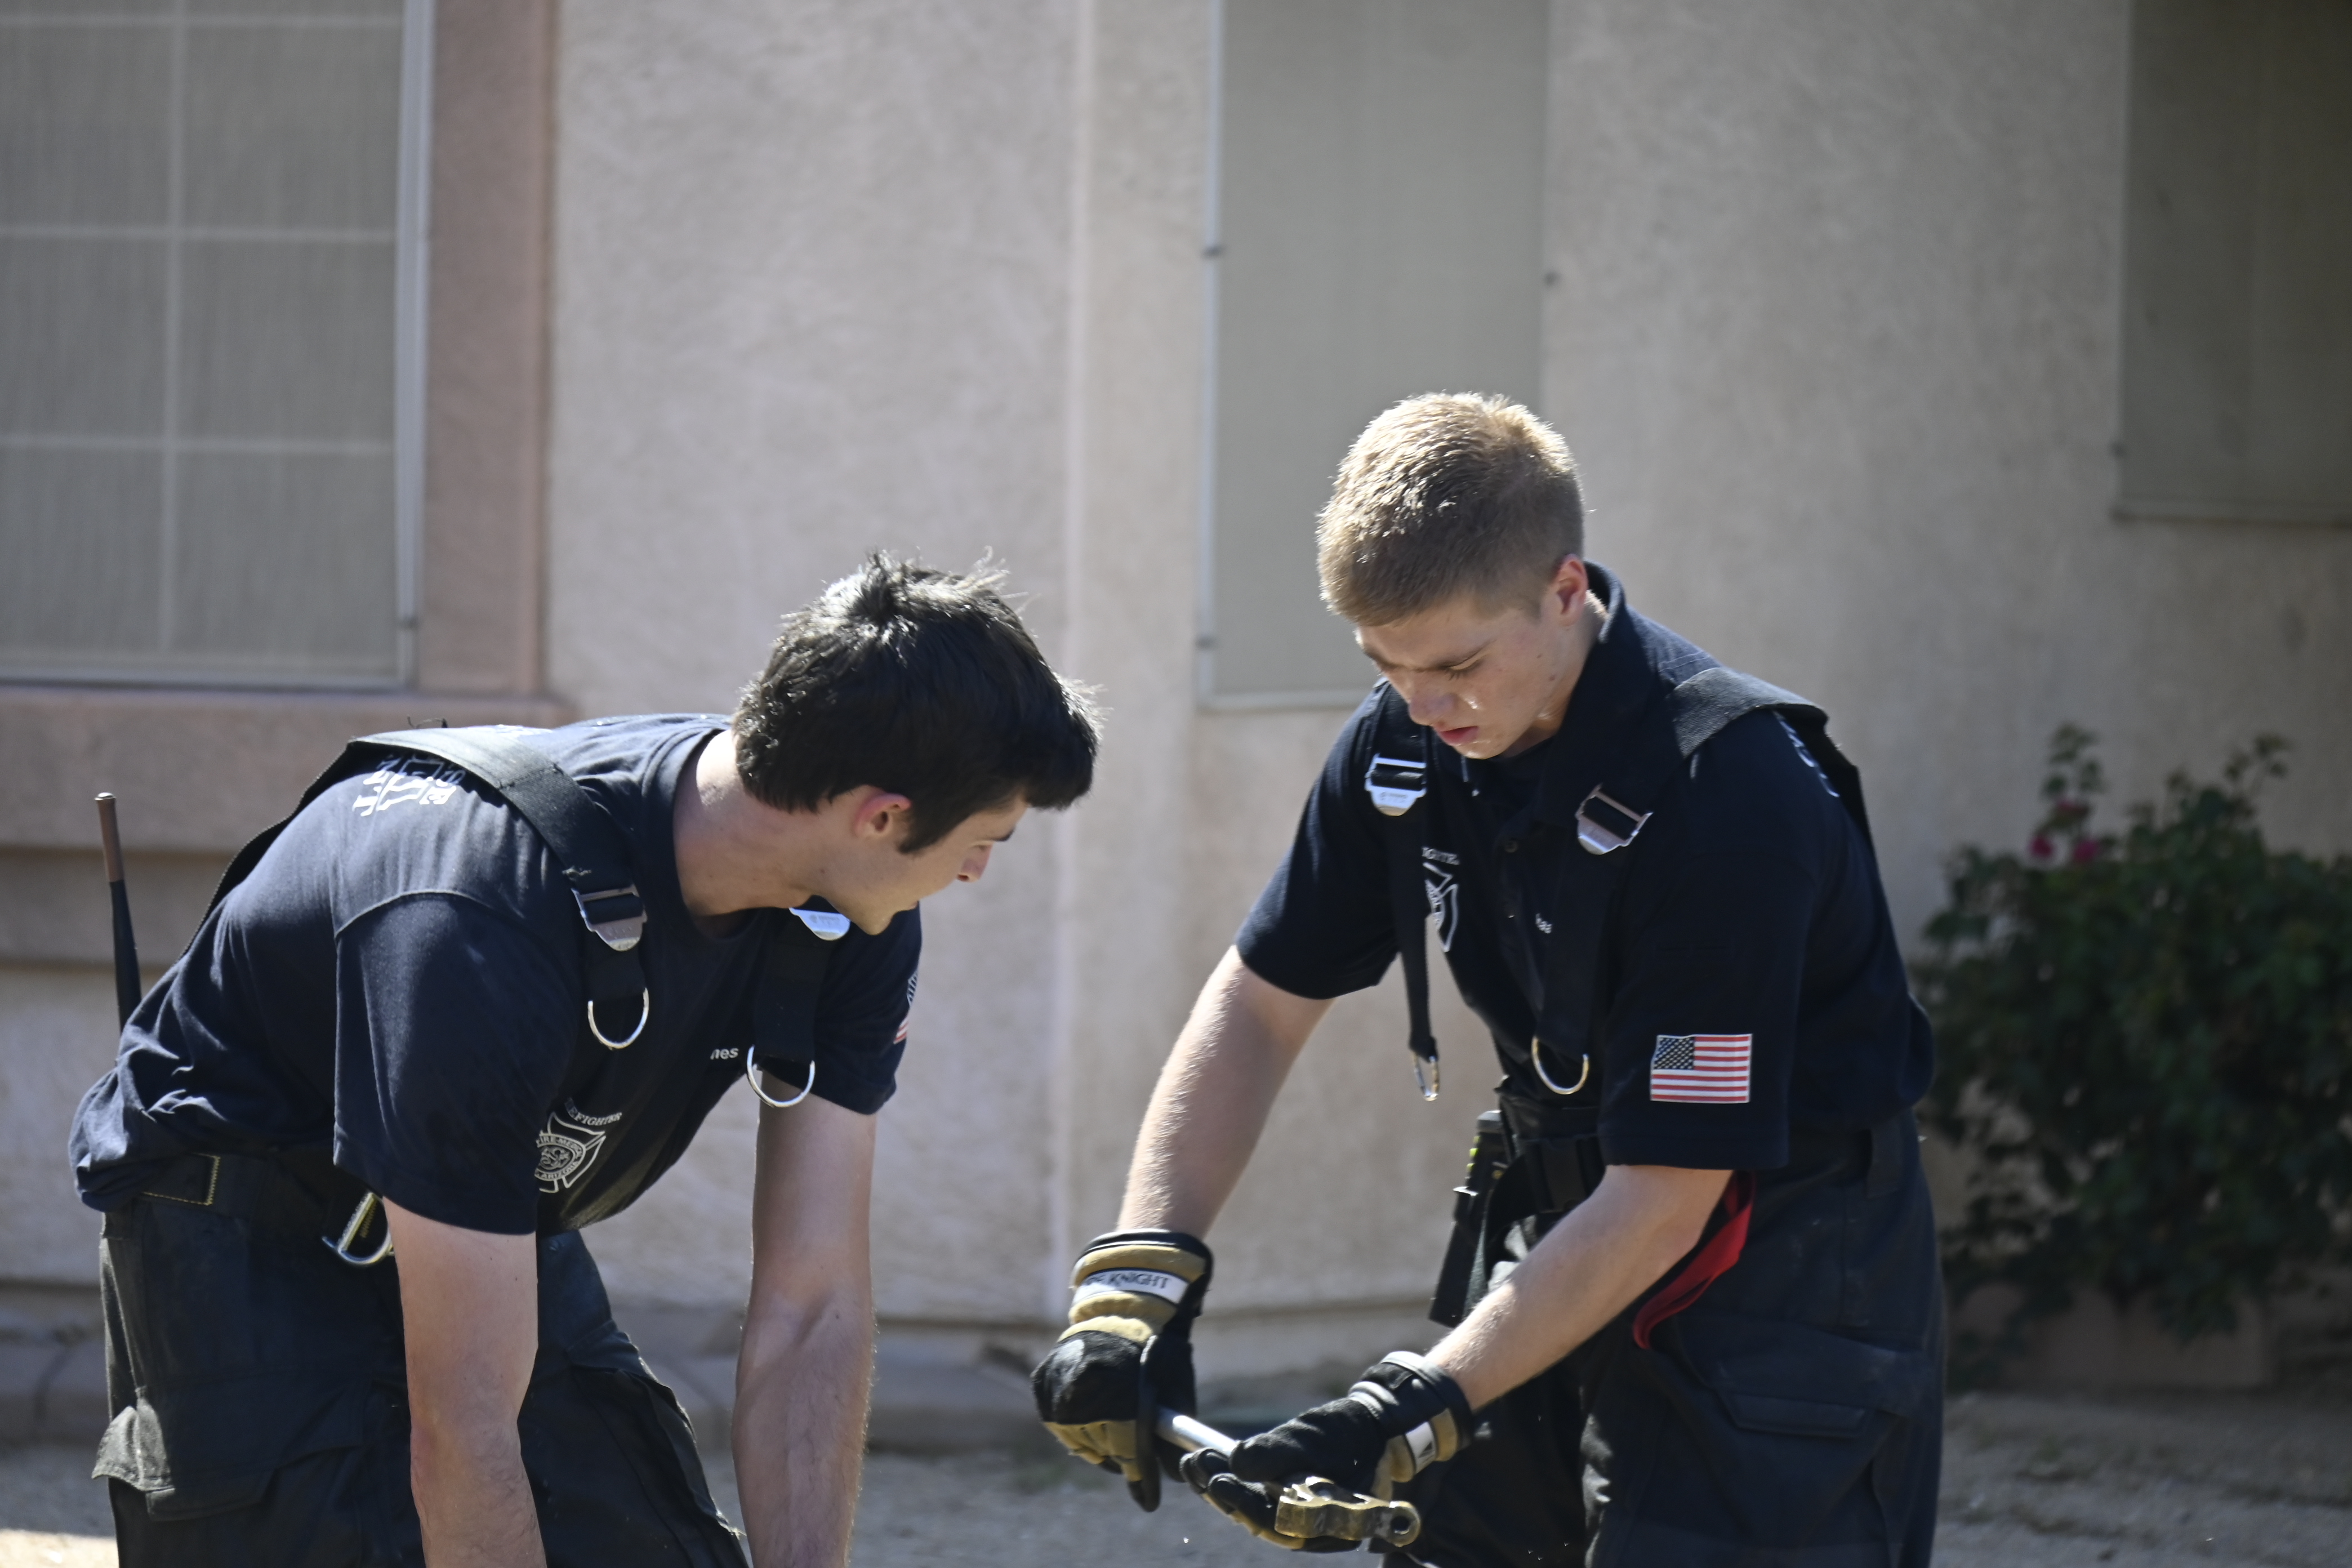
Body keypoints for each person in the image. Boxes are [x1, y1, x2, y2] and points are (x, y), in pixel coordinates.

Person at [1032, 395, 1941, 1565]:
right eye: (1385, 664)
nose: (1422, 705)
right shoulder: (1405, 742)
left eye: (1458, 664)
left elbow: (1670, 1193)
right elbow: (1260, 1007)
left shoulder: (1728, 800)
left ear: (1566, 591)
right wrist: (1140, 1283)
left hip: (1781, 1267)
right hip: (1567, 1218)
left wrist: (1411, 1405)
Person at [72, 555, 1098, 1567]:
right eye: (986, 840)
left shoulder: (852, 909)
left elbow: (812, 1302)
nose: (977, 871)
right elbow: (463, 1424)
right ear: (881, 815)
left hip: (487, 1219)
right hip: (245, 1232)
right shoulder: (478, 923)